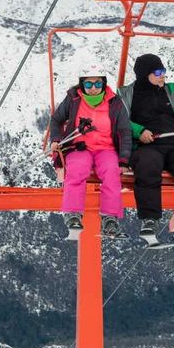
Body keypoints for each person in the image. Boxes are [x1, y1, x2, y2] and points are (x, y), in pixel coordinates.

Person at [118, 53, 174, 243]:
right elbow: (119, 121)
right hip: (146, 145)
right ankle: (150, 219)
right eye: (158, 72)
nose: (163, 76)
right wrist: (139, 131)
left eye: (164, 71)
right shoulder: (127, 95)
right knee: (148, 166)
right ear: (144, 74)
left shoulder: (173, 93)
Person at [48, 66, 132, 238]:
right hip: (79, 146)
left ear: (103, 84)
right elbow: (56, 120)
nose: (93, 88)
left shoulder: (114, 102)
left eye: (97, 84)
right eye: (88, 84)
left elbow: (124, 131)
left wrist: (123, 159)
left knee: (111, 172)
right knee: (77, 169)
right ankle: (73, 213)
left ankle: (110, 218)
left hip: (106, 148)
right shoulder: (73, 99)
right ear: (82, 85)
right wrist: (56, 139)